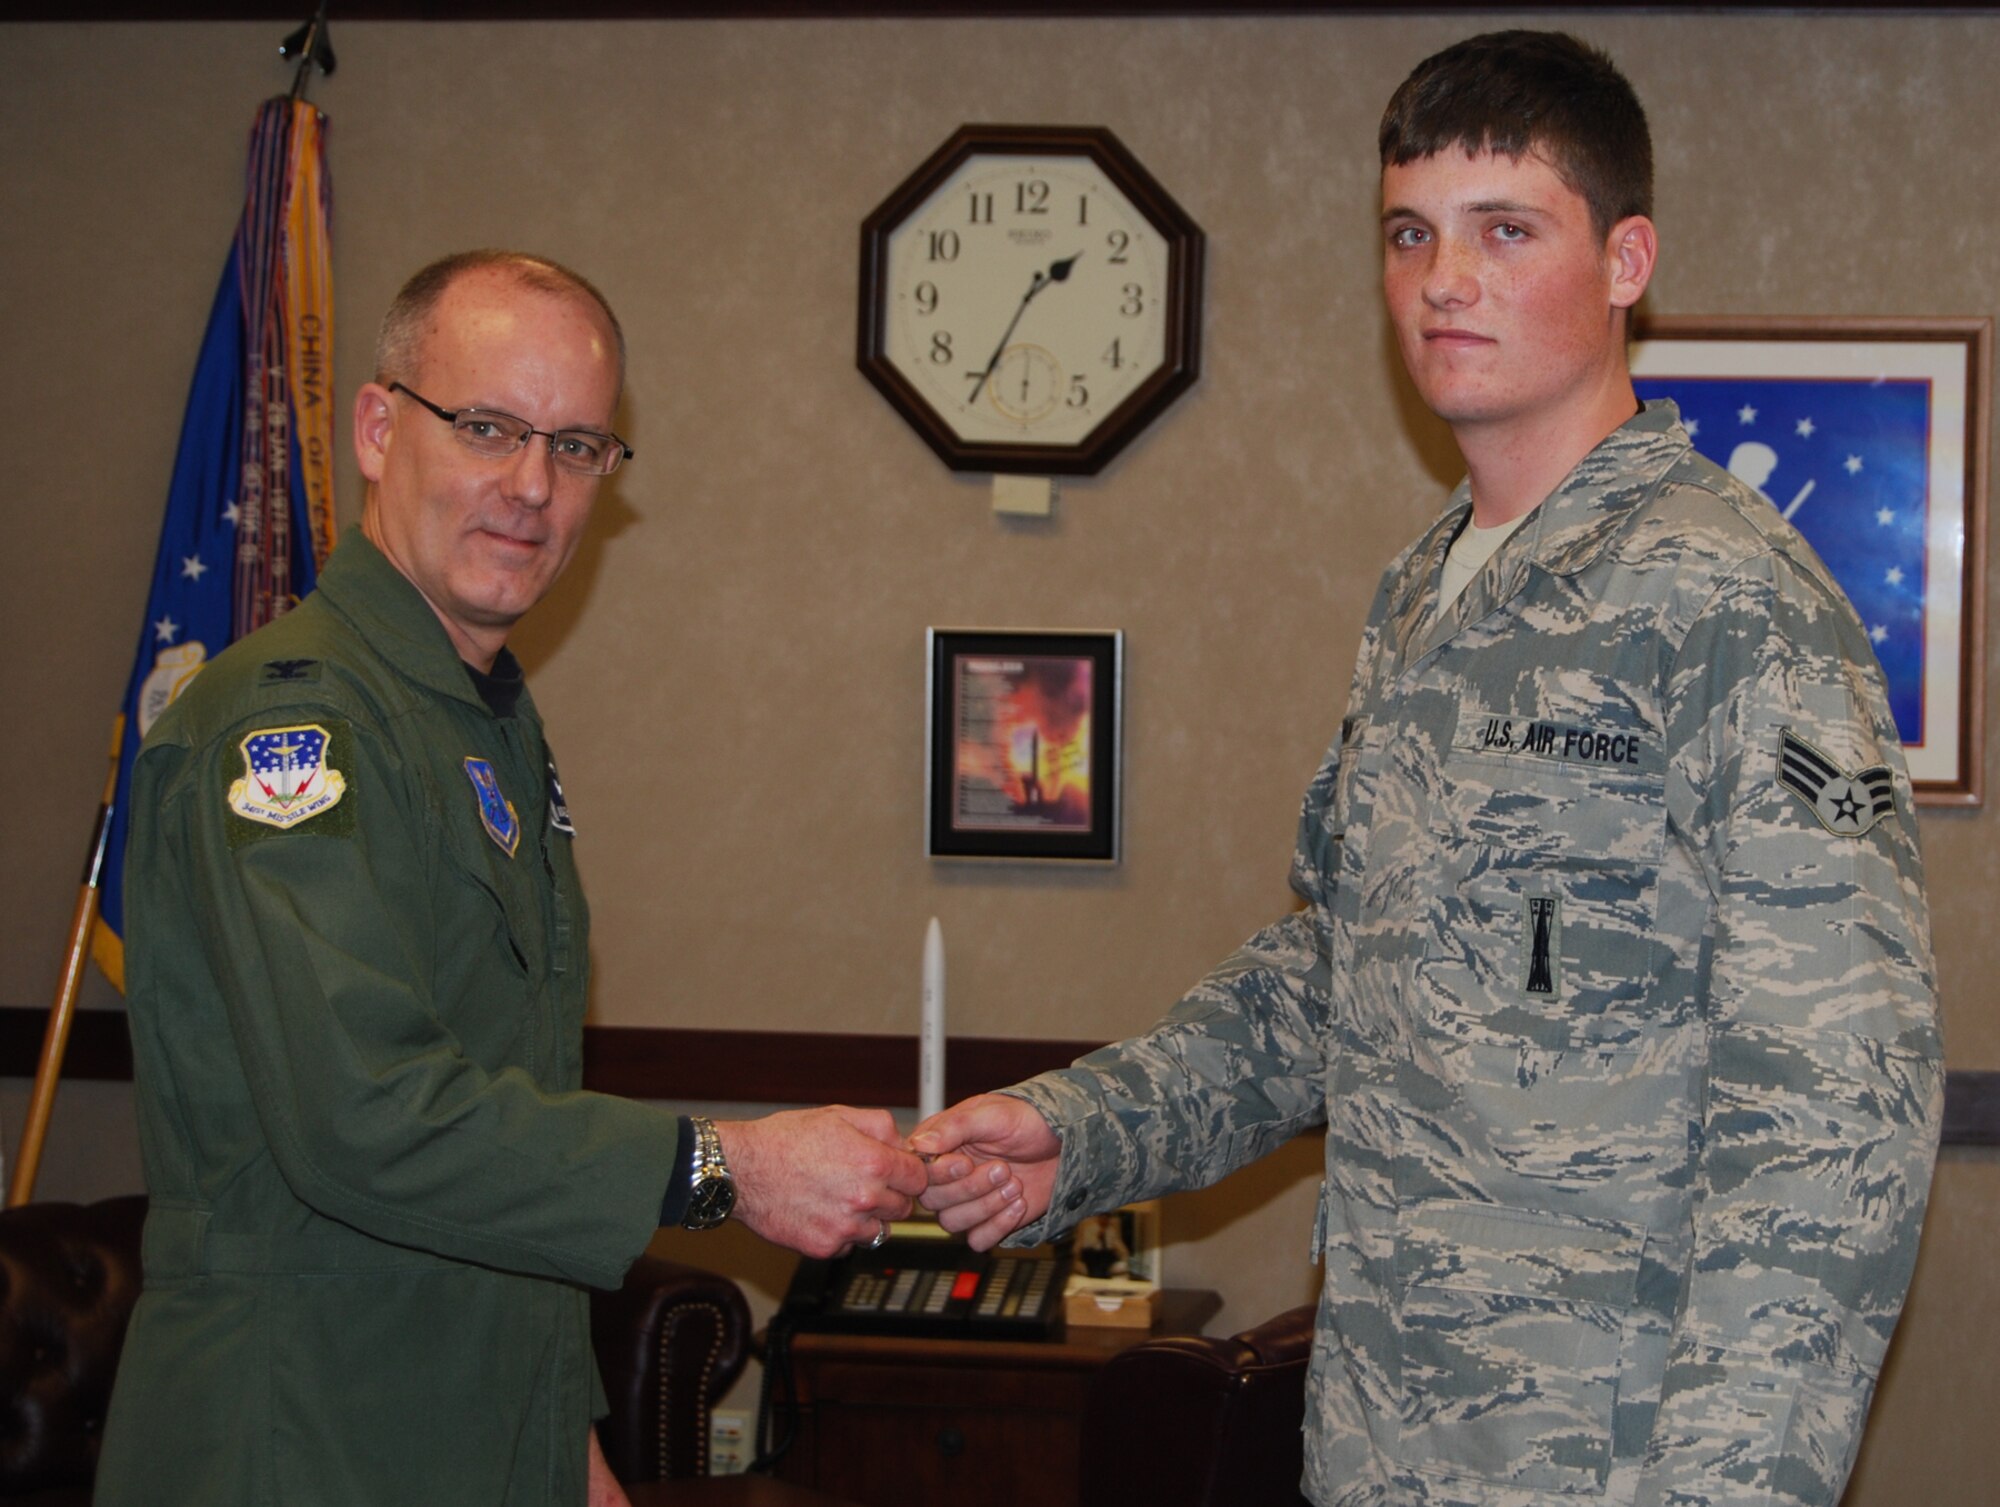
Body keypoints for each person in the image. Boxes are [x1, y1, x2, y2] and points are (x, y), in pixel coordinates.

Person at [914, 31, 1942, 1507]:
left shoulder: (1728, 598)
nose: (1442, 279)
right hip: (1385, 1446)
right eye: (1411, 234)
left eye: (1504, 229)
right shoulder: (1423, 595)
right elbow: (1341, 976)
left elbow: (1836, 1110)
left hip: (1609, 1466)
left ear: (1625, 257)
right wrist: (1078, 1131)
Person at [97, 250, 928, 1507]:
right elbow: (366, 1119)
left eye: (578, 445)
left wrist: (565, 1442)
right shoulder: (294, 728)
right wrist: (727, 1167)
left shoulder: (479, 723)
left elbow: (504, 1130)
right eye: (486, 427)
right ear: (378, 429)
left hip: (472, 1427)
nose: (531, 487)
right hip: (304, 1434)